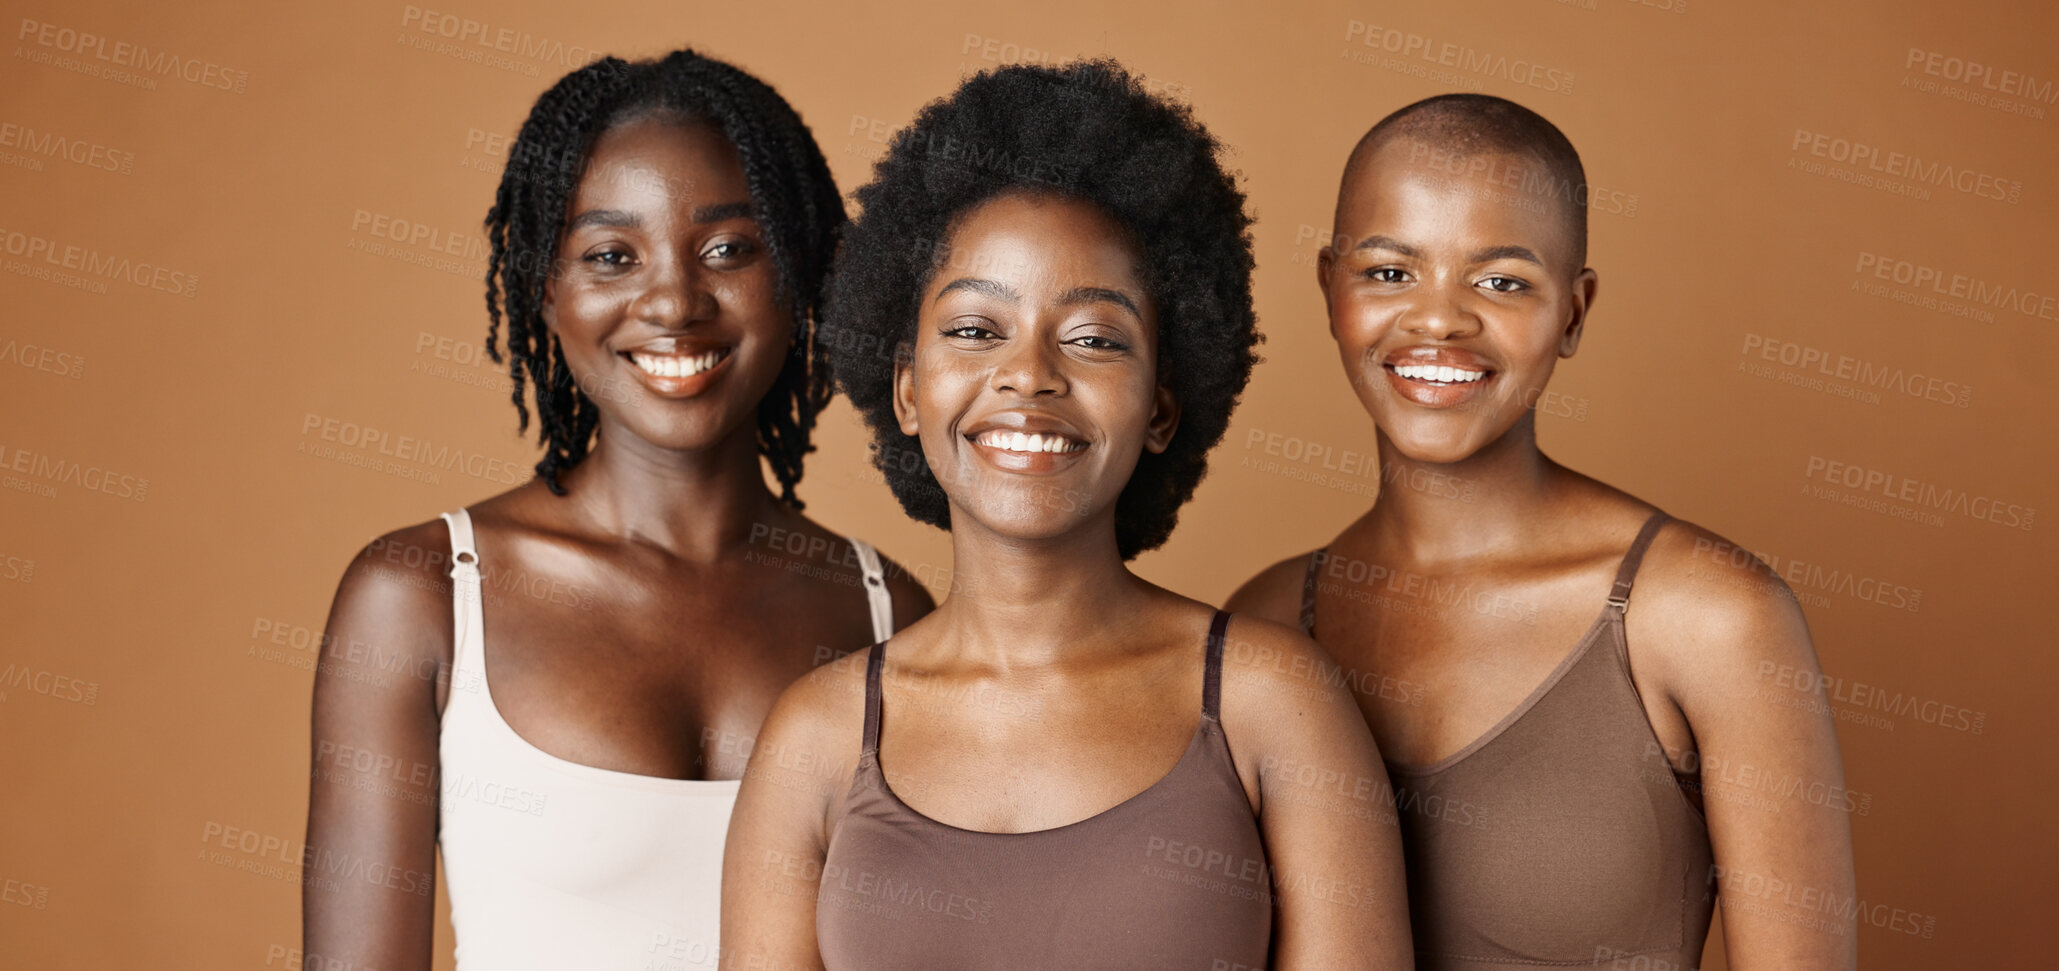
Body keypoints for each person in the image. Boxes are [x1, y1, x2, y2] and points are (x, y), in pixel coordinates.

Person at [721, 60, 1413, 970]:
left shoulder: (1270, 701)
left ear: (1162, 406)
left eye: (1093, 338)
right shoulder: (815, 734)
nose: (1029, 374)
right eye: (974, 329)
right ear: (905, 390)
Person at [303, 50, 932, 971]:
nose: (675, 300)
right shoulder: (422, 595)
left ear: (800, 273)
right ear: (544, 288)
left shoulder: (888, 614)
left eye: (727, 249)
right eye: (610, 255)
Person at [1228, 94, 1858, 970]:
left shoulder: (1707, 614)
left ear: (1572, 310)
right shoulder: (1264, 621)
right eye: (1387, 272)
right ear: (1329, 286)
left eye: (1501, 281)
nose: (1439, 319)